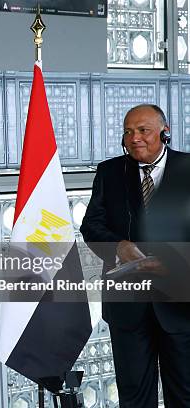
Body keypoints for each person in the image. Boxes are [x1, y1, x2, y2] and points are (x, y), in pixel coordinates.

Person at [80, 104, 190, 407]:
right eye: (128, 131)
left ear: (165, 132)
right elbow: (91, 225)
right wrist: (118, 246)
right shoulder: (109, 172)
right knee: (133, 397)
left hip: (180, 306)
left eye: (144, 130)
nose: (135, 138)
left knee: (184, 394)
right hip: (128, 306)